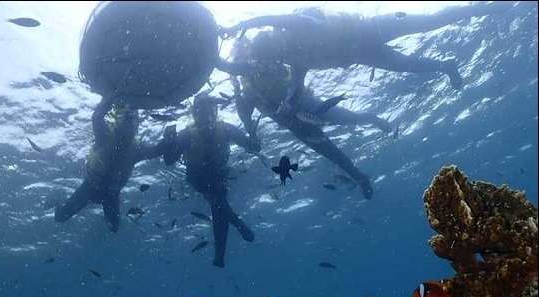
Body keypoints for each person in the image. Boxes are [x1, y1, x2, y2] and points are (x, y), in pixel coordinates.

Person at [219, 2, 512, 109]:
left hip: (371, 28)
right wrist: (288, 100)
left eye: (273, 51)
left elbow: (275, 18)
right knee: (408, 65)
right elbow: (296, 84)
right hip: (364, 55)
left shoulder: (293, 26)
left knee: (431, 21)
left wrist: (241, 25)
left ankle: (484, 7)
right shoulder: (293, 60)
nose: (278, 56)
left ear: (273, 41)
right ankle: (446, 66)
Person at [230, 36, 381, 199]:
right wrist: (236, 90)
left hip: (309, 104)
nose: (243, 59)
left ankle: (372, 118)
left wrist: (270, 68)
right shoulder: (247, 87)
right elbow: (245, 117)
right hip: (293, 122)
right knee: (332, 153)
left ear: (252, 49)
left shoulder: (269, 57)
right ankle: (361, 178)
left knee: (350, 119)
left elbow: (293, 73)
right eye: (237, 58)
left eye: (244, 50)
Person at [161, 92, 262, 268]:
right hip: (197, 177)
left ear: (216, 112)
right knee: (217, 198)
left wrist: (252, 133)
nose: (206, 116)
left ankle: (220, 255)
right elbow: (169, 160)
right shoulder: (187, 134)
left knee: (218, 203)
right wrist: (168, 142)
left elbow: (254, 147)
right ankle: (235, 225)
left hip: (220, 175)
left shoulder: (226, 129)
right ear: (195, 114)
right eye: (201, 111)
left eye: (210, 110)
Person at [55, 96, 166, 232]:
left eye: (132, 120)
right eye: (126, 118)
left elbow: (97, 118)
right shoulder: (107, 136)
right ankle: (56, 201)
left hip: (106, 192)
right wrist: (108, 99)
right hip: (93, 188)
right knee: (60, 217)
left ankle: (63, 205)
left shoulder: (134, 148)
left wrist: (109, 98)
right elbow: (155, 151)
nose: (129, 123)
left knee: (114, 228)